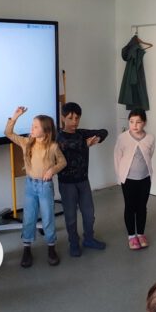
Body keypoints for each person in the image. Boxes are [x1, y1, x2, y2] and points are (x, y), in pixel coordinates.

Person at [6, 107, 66, 267]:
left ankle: (51, 247)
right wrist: (15, 117)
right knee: (29, 217)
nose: (31, 129)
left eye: (35, 126)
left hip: (45, 187)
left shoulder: (53, 147)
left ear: (45, 131)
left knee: (48, 217)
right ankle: (26, 248)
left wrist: (52, 170)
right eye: (32, 126)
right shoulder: (26, 143)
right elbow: (8, 133)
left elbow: (63, 162)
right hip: (30, 186)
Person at [56, 101, 108, 257]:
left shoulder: (81, 133)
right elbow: (69, 144)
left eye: (77, 118)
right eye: (70, 118)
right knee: (71, 216)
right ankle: (73, 243)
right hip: (67, 184)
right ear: (62, 118)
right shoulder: (59, 137)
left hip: (83, 181)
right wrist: (85, 144)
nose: (74, 122)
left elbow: (103, 131)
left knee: (89, 213)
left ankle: (89, 239)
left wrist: (98, 138)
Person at [113, 109, 156, 250]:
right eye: (131, 122)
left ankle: (141, 234)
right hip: (128, 179)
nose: (134, 125)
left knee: (142, 207)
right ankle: (131, 235)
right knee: (130, 206)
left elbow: (150, 154)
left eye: (138, 122)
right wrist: (120, 176)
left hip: (145, 178)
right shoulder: (122, 138)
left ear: (144, 123)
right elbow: (117, 157)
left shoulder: (150, 138)